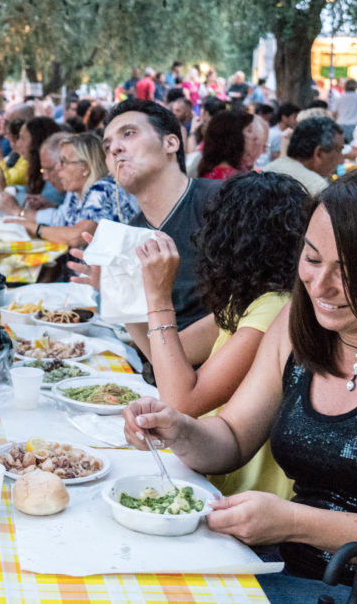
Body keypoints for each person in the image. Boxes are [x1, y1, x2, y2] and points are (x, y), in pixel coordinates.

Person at [124, 163, 357, 601]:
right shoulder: (298, 323)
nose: (320, 284)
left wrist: (294, 522)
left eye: (348, 271)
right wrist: (178, 428)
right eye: (312, 258)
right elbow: (230, 438)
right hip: (301, 574)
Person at [134, 171, 309, 497]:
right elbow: (163, 355)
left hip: (241, 492)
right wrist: (129, 286)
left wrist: (160, 298)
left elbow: (181, 401)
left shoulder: (274, 308)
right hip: (212, 472)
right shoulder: (248, 301)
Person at [69, 98, 220, 368]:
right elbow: (154, 355)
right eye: (107, 146)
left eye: (128, 133)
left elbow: (251, 312)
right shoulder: (131, 232)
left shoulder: (219, 203)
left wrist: (169, 357)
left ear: (171, 143)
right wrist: (115, 290)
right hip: (167, 383)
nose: (114, 148)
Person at [11, 132, 138, 247]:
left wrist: (32, 227)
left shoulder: (103, 189)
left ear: (85, 168)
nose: (59, 168)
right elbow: (64, 222)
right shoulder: (77, 193)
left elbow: (77, 236)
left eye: (63, 162)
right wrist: (51, 207)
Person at [264, 117, 344, 196]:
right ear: (318, 153)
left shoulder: (266, 170)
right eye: (339, 151)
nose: (341, 161)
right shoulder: (316, 186)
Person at [197, 110, 254, 180]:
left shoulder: (240, 171)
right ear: (234, 137)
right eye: (249, 131)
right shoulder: (231, 178)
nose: (254, 136)